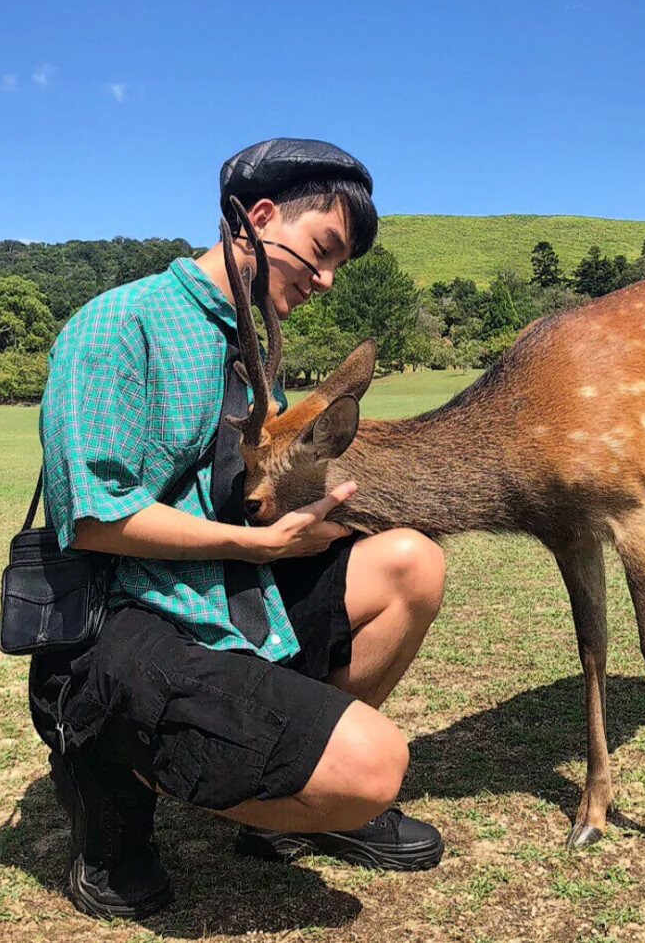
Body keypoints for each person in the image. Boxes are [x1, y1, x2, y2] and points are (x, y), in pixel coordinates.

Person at [29, 138, 447, 919]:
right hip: (126, 619)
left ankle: (280, 805)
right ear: (257, 220)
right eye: (321, 253)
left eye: (338, 268)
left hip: (226, 593)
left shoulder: (255, 350)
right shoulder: (121, 322)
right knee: (375, 767)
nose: (324, 281)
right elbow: (92, 519)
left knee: (410, 564)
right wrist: (258, 545)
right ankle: (105, 784)